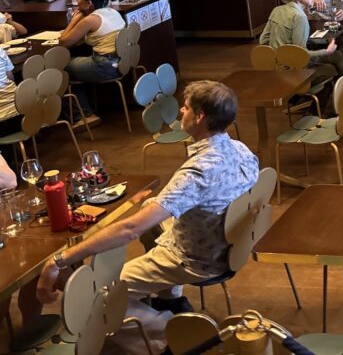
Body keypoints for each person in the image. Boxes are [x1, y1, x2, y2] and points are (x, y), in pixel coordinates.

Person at [36, 80, 259, 352]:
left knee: (99, 296)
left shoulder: (197, 172)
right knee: (152, 204)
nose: (181, 112)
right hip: (228, 247)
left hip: (197, 259)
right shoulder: (241, 150)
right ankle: (171, 299)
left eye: (186, 108)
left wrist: (59, 260)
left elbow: (130, 230)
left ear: (200, 117)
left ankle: (170, 335)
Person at [260, 0, 343, 84]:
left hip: (275, 66)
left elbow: (263, 40)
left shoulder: (277, 10)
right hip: (292, 70)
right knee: (332, 68)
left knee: (337, 56)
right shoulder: (299, 17)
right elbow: (301, 55)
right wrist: (326, 51)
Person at [59, 0, 123, 128]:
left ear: (89, 3)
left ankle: (84, 116)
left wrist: (75, 20)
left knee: (60, 68)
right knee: (72, 69)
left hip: (104, 66)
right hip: (121, 62)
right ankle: (83, 112)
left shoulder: (90, 20)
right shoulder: (112, 12)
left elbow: (63, 42)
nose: (77, 0)